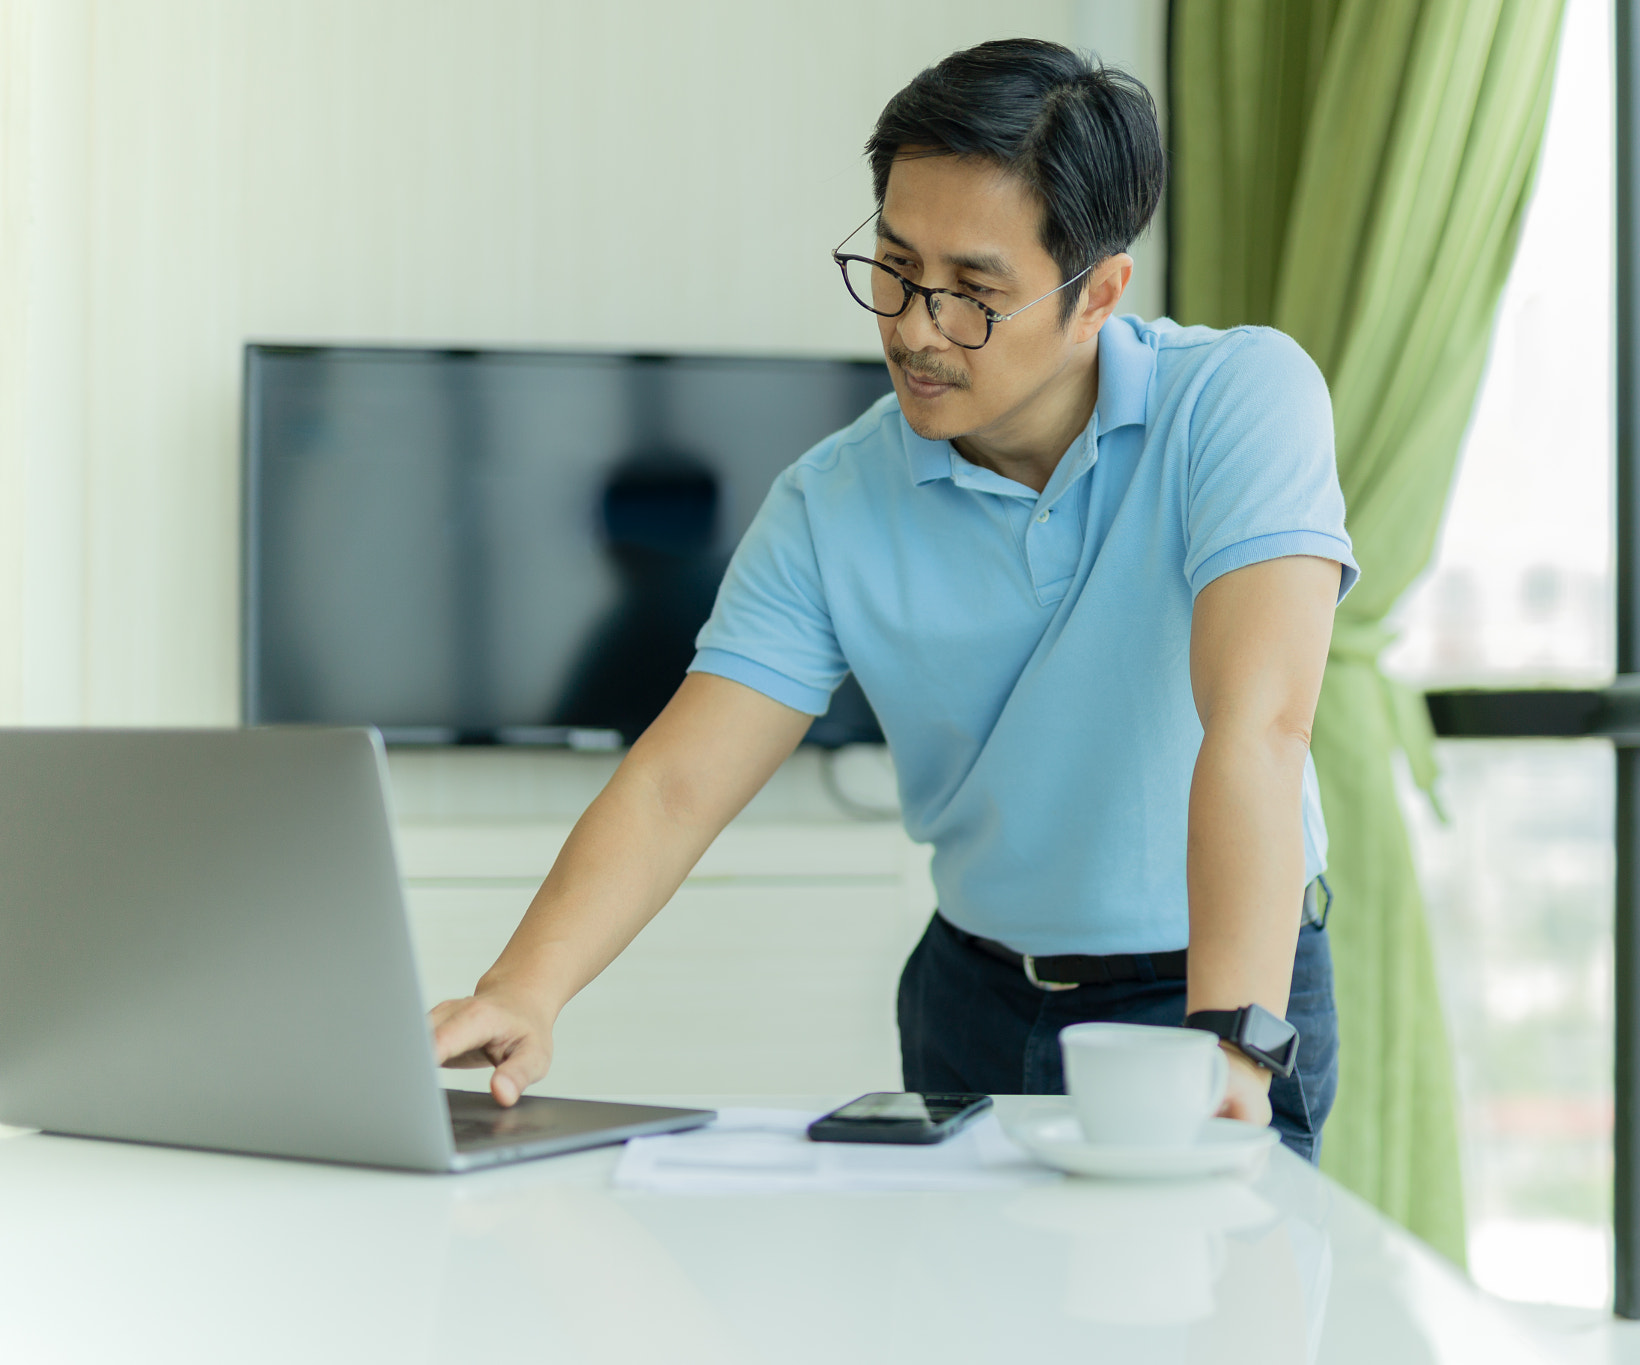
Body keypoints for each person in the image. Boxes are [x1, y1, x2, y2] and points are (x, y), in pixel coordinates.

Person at [429, 37, 1358, 1162]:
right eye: (895, 269)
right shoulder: (831, 500)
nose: (915, 328)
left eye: (973, 294)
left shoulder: (1238, 404)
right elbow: (678, 783)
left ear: (1096, 294)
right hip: (969, 997)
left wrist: (1230, 1040)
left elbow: (1257, 727)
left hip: (1211, 990)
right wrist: (525, 988)